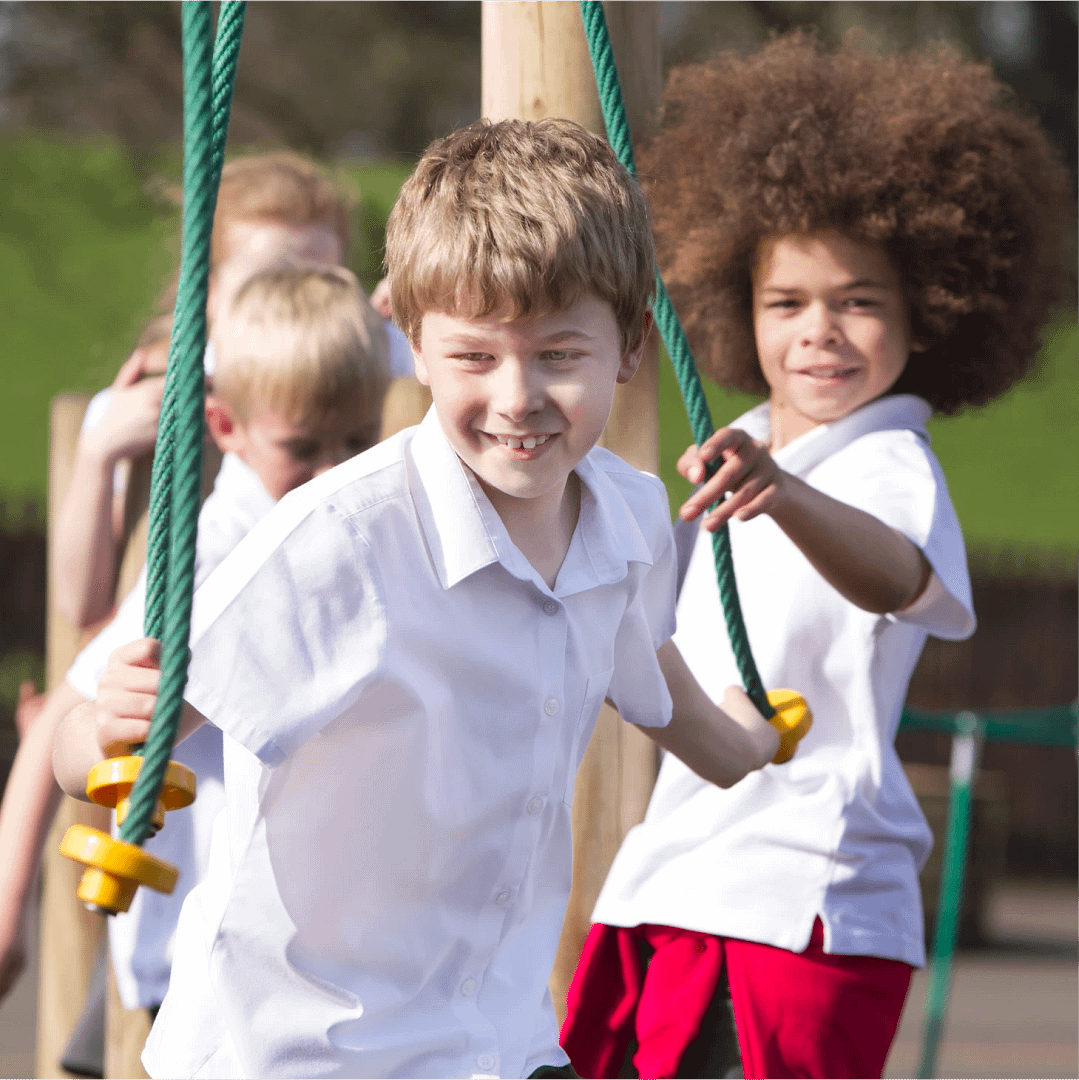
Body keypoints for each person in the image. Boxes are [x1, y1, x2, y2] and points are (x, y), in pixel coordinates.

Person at [52, 118, 803, 1080]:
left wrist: (742, 743)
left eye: (559, 355)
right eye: (475, 357)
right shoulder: (340, 545)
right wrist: (101, 735)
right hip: (304, 1051)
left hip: (492, 1037)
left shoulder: (624, 515)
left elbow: (640, 656)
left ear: (627, 344)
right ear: (412, 343)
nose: (518, 396)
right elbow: (100, 737)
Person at [559, 32, 1076, 1080]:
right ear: (734, 307)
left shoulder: (884, 458)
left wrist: (784, 494)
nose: (819, 333)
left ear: (928, 311)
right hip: (672, 878)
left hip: (798, 903)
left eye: (859, 301)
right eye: (785, 302)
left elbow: (894, 572)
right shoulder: (735, 447)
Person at [0, 262, 389, 1025]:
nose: (333, 471)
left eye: (359, 439)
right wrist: (9, 903)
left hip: (309, 943)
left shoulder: (350, 521)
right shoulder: (212, 557)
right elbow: (70, 717)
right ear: (224, 428)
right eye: (304, 446)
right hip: (202, 948)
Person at [52, 150, 413, 633]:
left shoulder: (380, 367)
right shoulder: (158, 398)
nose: (295, 303)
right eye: (270, 282)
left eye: (322, 282)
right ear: (210, 290)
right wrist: (99, 456)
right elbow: (82, 608)